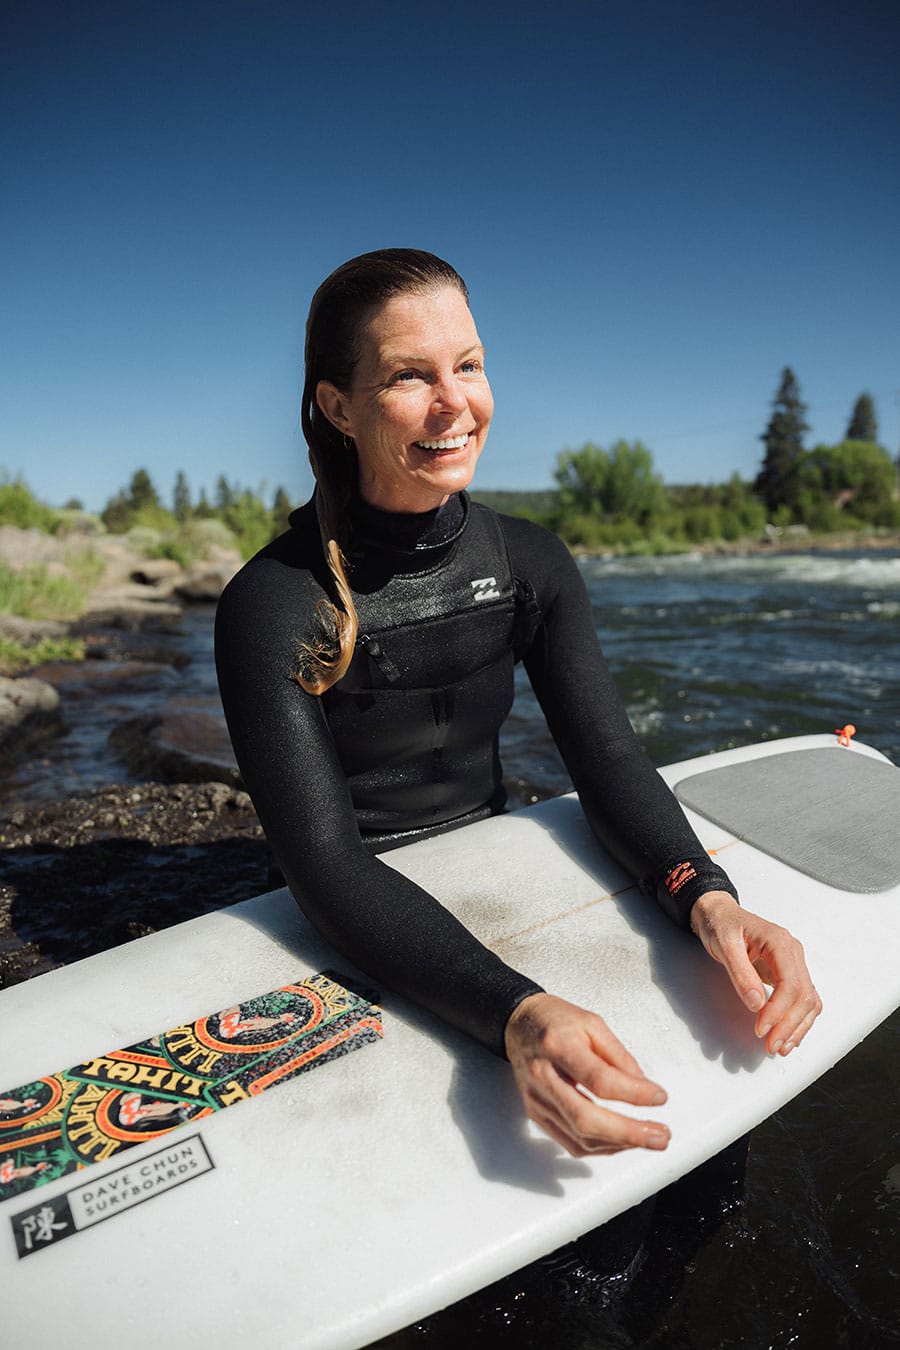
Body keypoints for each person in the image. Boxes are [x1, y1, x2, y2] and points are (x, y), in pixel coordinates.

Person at [215, 248, 822, 1159]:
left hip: (494, 859)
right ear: (338, 407)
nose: (455, 401)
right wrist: (515, 1012)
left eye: (469, 364)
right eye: (410, 376)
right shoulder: (272, 605)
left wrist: (708, 898)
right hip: (352, 907)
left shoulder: (530, 564)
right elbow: (327, 866)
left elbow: (609, 758)